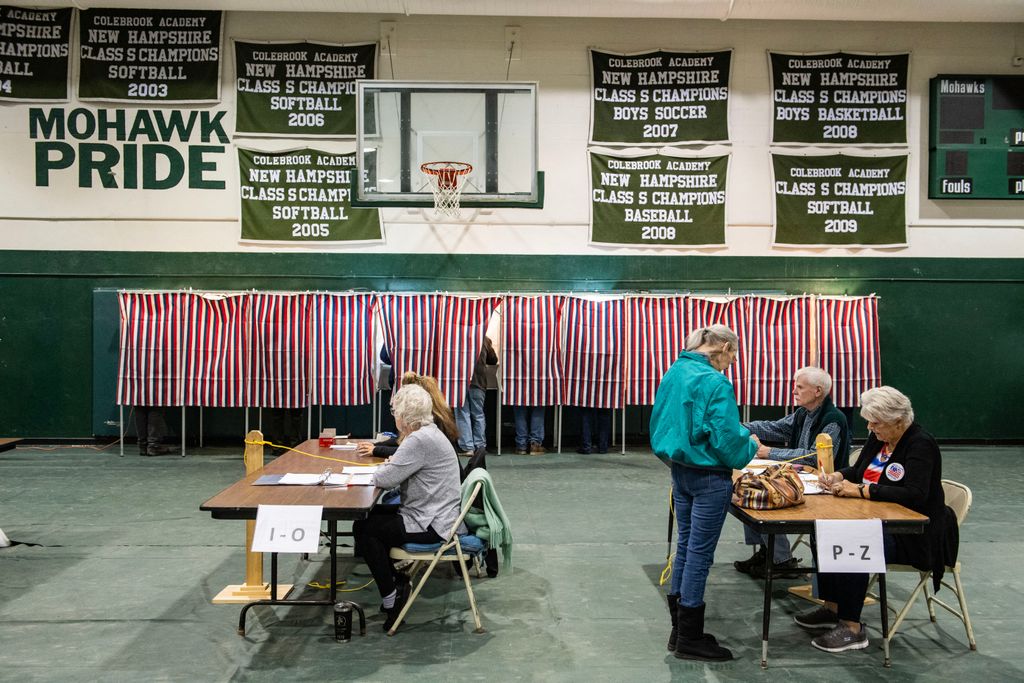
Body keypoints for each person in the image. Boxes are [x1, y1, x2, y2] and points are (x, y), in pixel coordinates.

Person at [797, 386, 956, 654]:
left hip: (913, 534)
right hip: (876, 519)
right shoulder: (880, 437)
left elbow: (915, 495)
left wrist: (863, 490)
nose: (870, 428)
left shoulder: (920, 444)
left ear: (898, 420)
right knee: (823, 529)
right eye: (869, 421)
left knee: (851, 541)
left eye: (876, 422)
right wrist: (839, 477)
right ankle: (832, 607)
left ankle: (852, 627)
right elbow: (859, 471)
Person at [650, 324, 758, 662]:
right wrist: (749, 448)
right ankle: (690, 638)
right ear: (724, 346)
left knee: (684, 547)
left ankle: (679, 630)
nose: (731, 363)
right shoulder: (715, 381)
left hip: (680, 471)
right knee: (700, 555)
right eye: (733, 356)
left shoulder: (675, 370)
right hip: (710, 476)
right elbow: (725, 436)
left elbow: (661, 422)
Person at [351, 384, 465, 631]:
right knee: (364, 523)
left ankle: (393, 597)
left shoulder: (418, 440)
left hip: (432, 523)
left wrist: (388, 466)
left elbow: (385, 479)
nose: (394, 417)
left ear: (404, 417)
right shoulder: (429, 432)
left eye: (395, 413)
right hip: (434, 514)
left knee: (368, 530)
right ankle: (395, 581)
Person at [734, 366, 851, 578]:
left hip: (824, 483)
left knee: (767, 496)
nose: (794, 391)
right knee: (750, 488)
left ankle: (781, 560)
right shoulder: (802, 414)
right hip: (802, 477)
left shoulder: (832, 419)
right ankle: (770, 552)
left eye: (799, 387)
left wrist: (770, 452)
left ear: (817, 391)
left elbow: (815, 457)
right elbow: (773, 428)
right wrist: (737, 426)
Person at [357, 372, 460, 458]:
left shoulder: (431, 420)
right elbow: (401, 440)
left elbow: (409, 452)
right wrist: (375, 446)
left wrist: (376, 449)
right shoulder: (437, 416)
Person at [454, 336, 497, 457]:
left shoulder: (455, 336)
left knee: (462, 414)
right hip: (479, 381)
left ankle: (467, 447)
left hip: (459, 382)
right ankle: (480, 446)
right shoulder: (484, 338)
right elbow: (493, 360)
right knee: (478, 414)